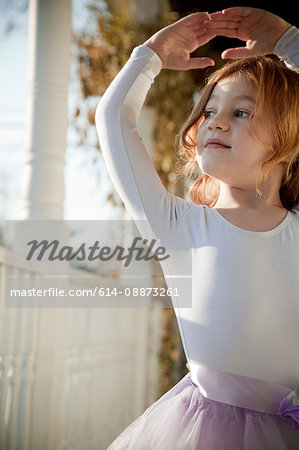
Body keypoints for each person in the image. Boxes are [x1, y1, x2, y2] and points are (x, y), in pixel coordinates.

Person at [95, 6, 299, 450]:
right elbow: (114, 120)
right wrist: (150, 56)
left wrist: (290, 45)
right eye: (209, 110)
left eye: (242, 113)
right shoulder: (177, 225)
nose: (217, 121)